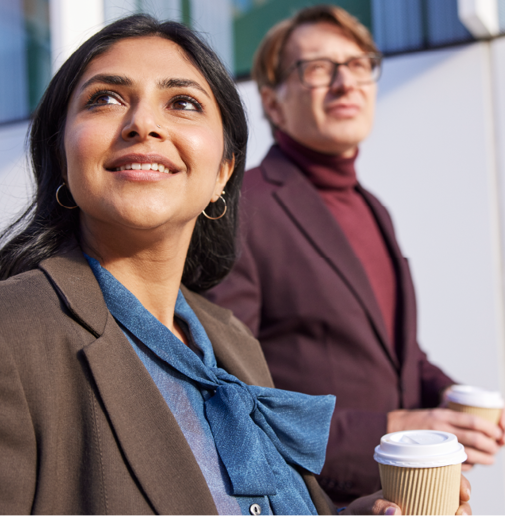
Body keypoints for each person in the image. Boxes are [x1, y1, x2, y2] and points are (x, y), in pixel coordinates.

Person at [0, 13, 473, 516]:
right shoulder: (14, 331)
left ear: (223, 173)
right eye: (106, 98)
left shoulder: (231, 340)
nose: (144, 123)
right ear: (61, 151)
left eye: (182, 102)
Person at [206, 4, 505, 507]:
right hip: (317, 501)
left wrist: (450, 398)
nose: (347, 83)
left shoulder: (375, 210)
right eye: (319, 68)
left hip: (409, 494)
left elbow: (400, 354)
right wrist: (389, 429)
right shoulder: (243, 209)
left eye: (360, 65)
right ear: (273, 103)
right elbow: (230, 390)